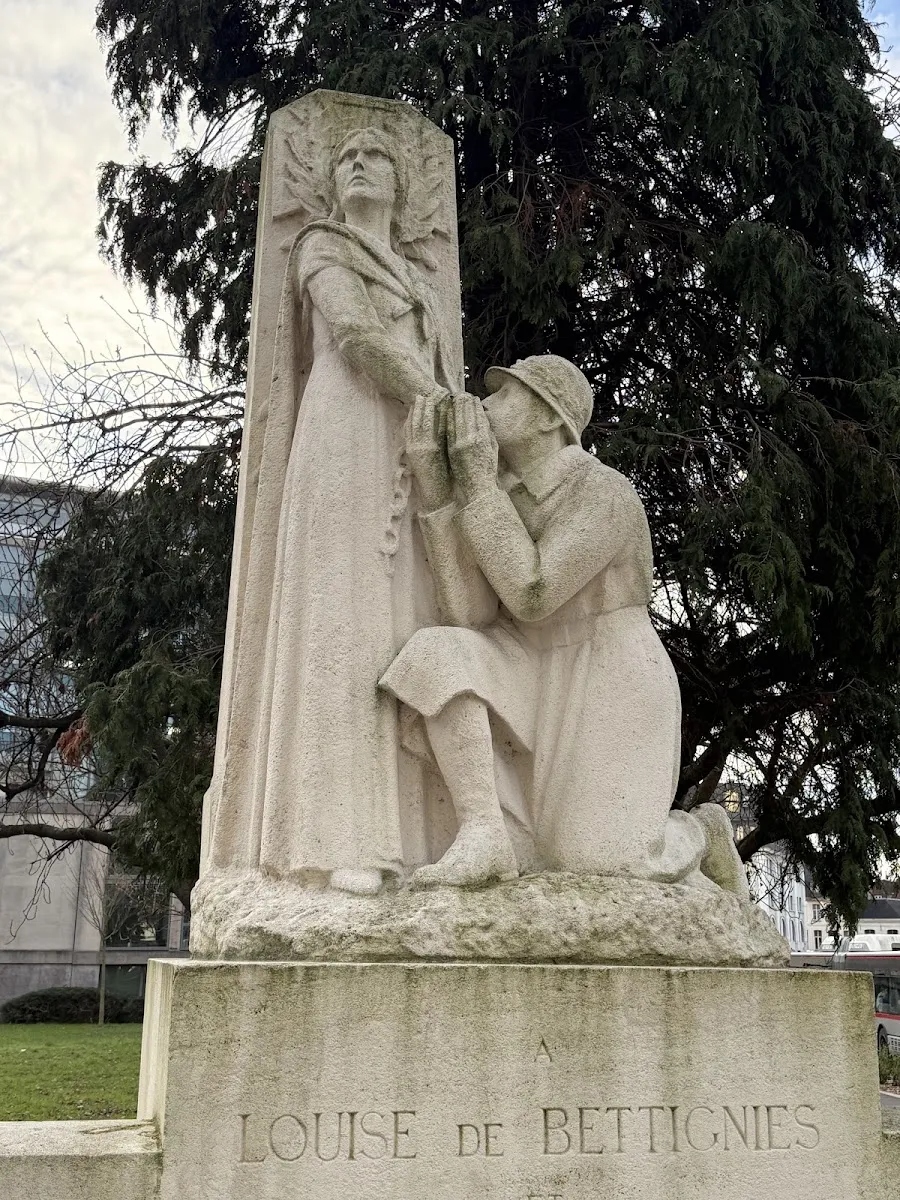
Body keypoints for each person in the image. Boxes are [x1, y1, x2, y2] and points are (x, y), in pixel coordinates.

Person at [381, 356, 747, 895]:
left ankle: (699, 831)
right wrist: (439, 488)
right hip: (528, 661)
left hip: (608, 671)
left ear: (550, 418)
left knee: (600, 861)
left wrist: (477, 486)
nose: (484, 406)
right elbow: (471, 617)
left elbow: (534, 591)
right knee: (437, 654)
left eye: (505, 397)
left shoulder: (605, 493)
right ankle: (485, 832)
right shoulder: (502, 494)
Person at [206, 126, 457, 894]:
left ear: (399, 181)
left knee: (400, 629)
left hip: (405, 447)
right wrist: (441, 401)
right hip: (346, 433)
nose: (357, 165)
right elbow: (353, 334)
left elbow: (434, 355)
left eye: (373, 156)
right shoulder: (322, 247)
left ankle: (416, 838)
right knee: (339, 631)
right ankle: (334, 839)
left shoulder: (417, 274)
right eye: (346, 156)